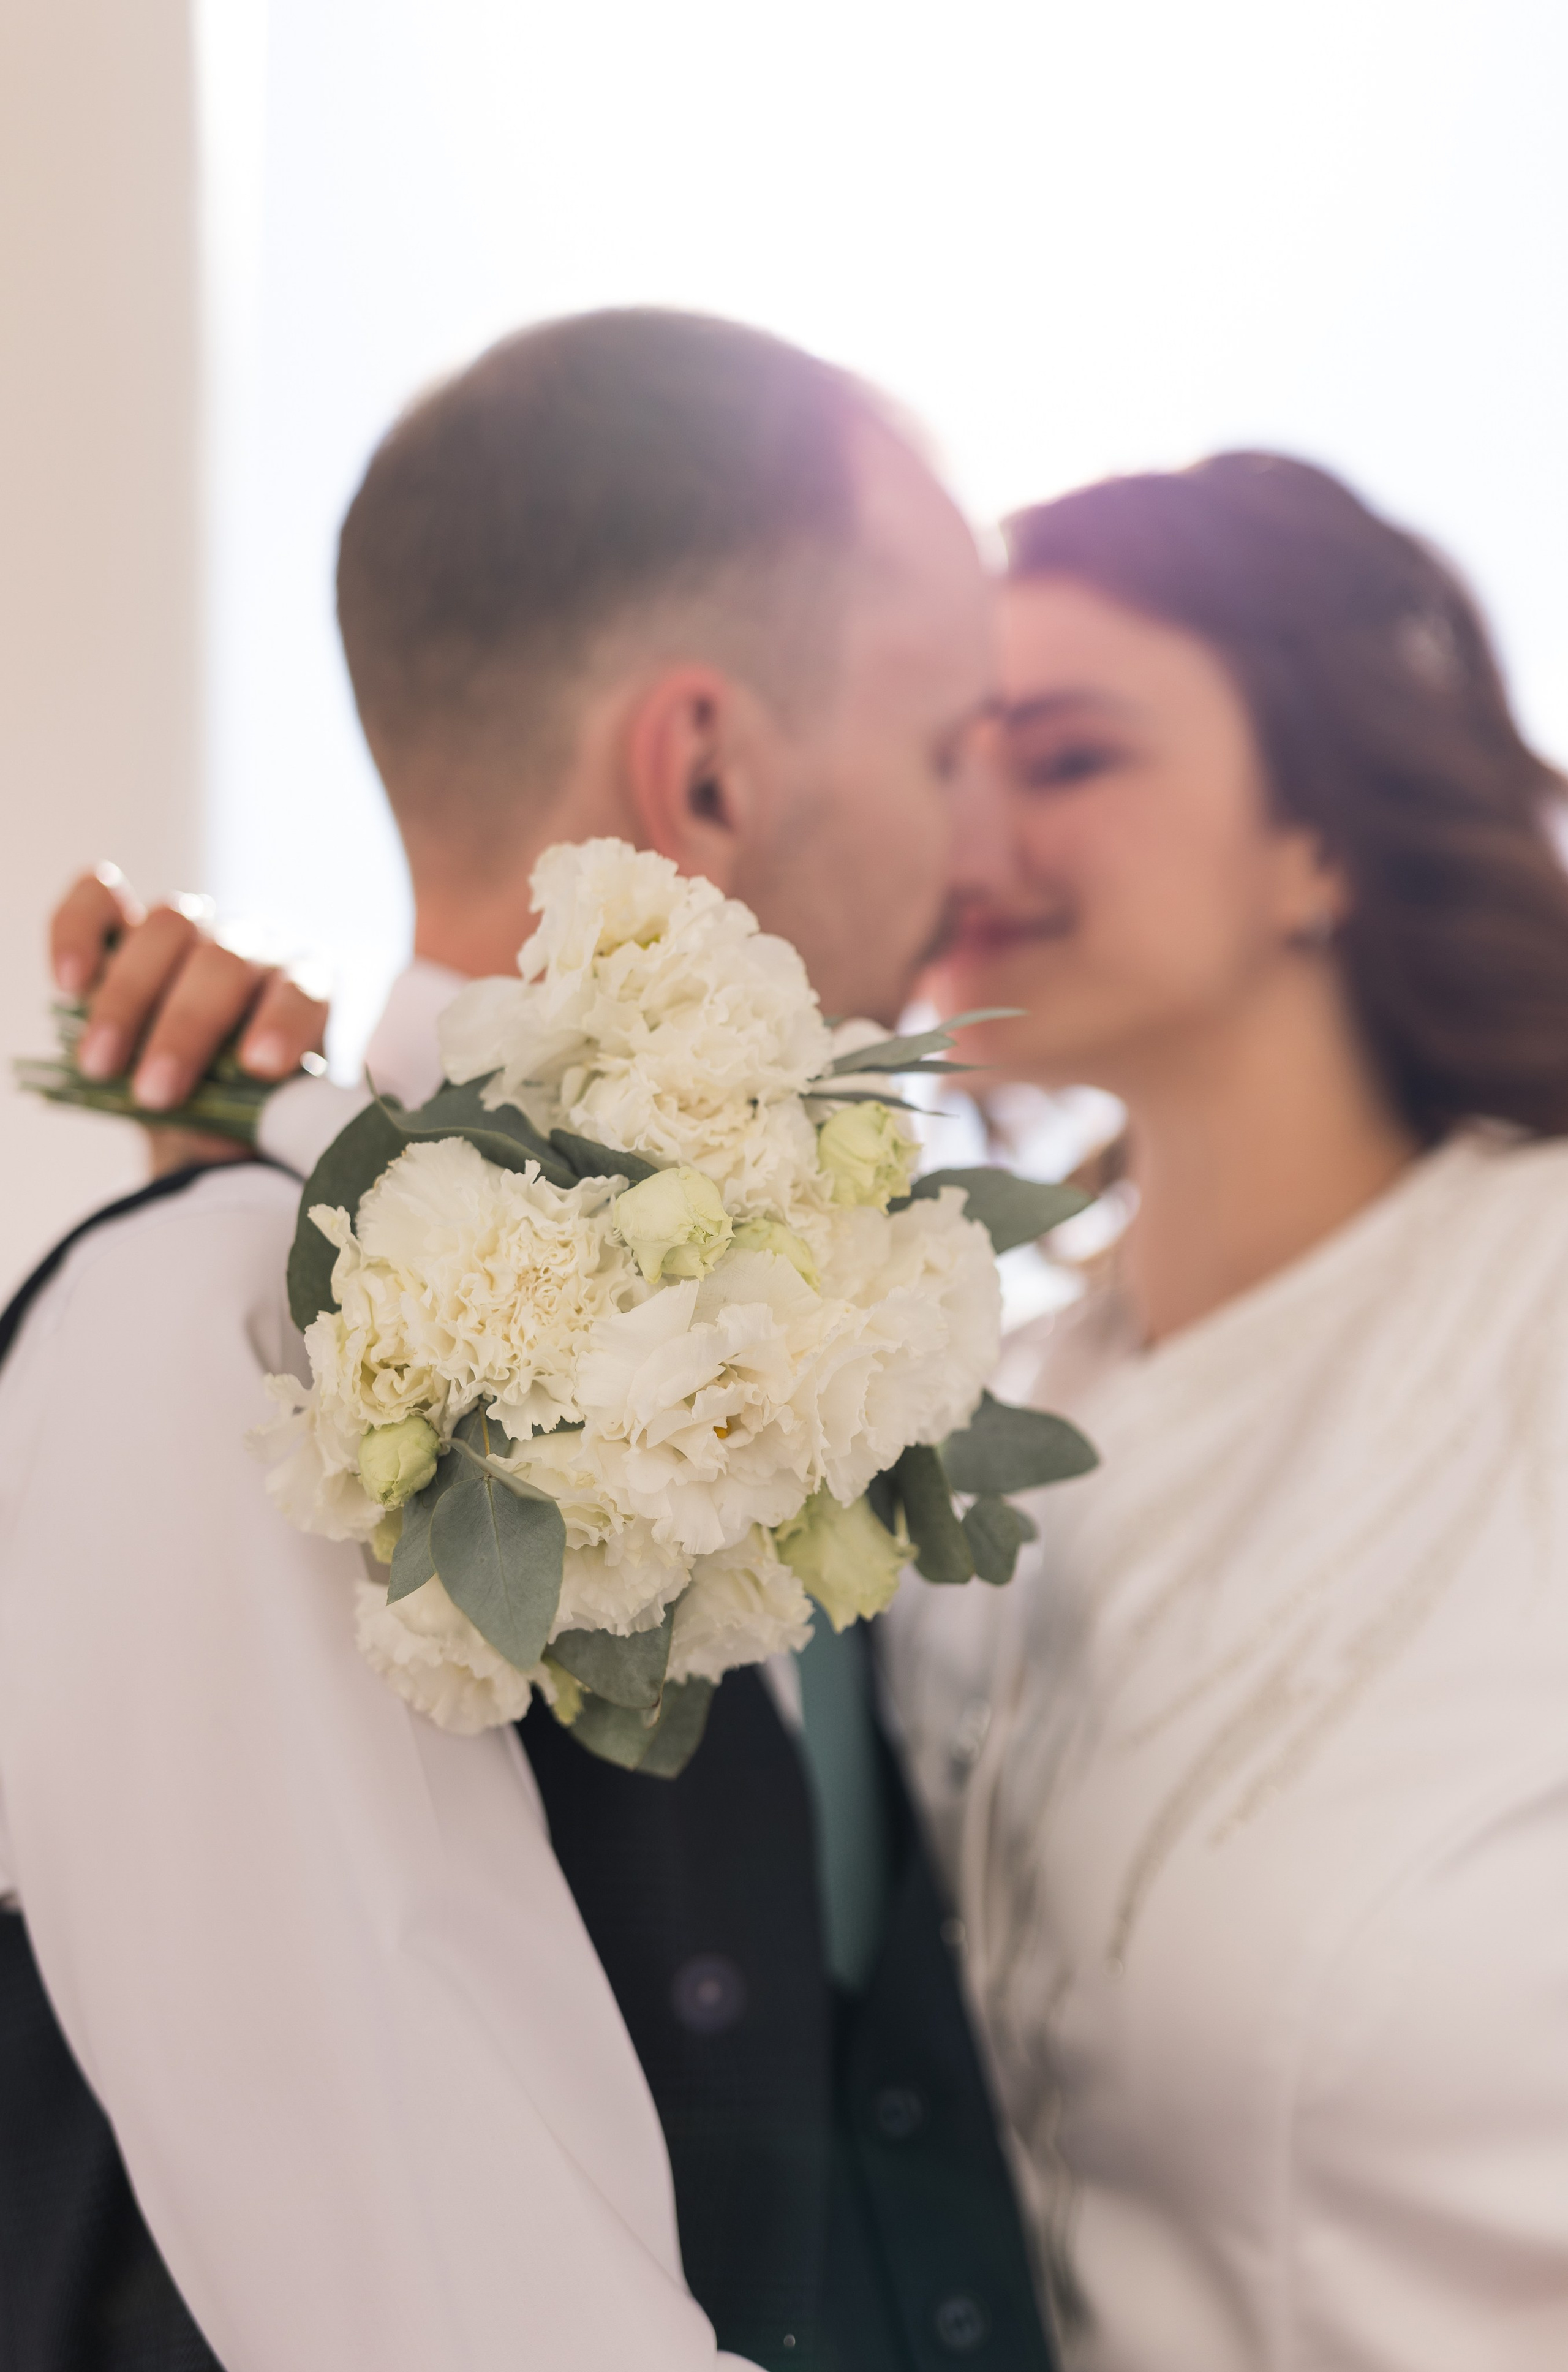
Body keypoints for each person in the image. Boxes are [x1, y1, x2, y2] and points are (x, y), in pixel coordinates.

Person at [0, 311, 1056, 2372]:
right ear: (710, 763)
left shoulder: (836, 1362)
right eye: (948, 751)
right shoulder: (206, 1342)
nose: (990, 853)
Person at [888, 451, 1568, 2368]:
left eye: (1073, 757)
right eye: (956, 756)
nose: (975, 836)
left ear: (1324, 840)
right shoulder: (955, 1423)